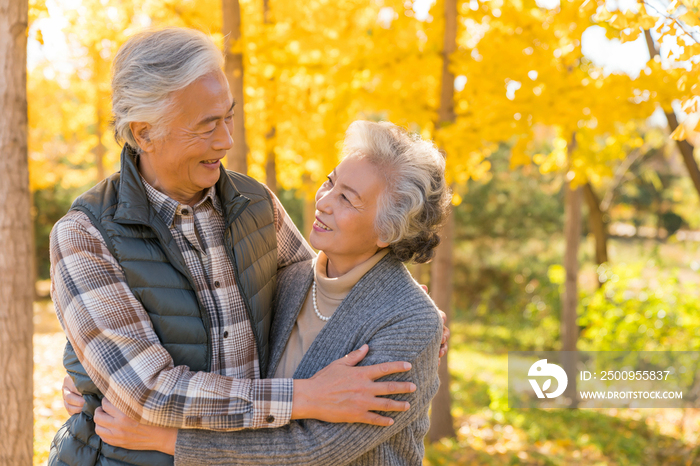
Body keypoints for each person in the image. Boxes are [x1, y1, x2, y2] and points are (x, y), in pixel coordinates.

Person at [48, 28, 447, 466]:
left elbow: (321, 282)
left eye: (228, 117)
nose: (226, 141)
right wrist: (302, 398)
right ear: (144, 133)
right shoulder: (84, 236)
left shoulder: (256, 205)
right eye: (206, 126)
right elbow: (147, 392)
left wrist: (416, 318)